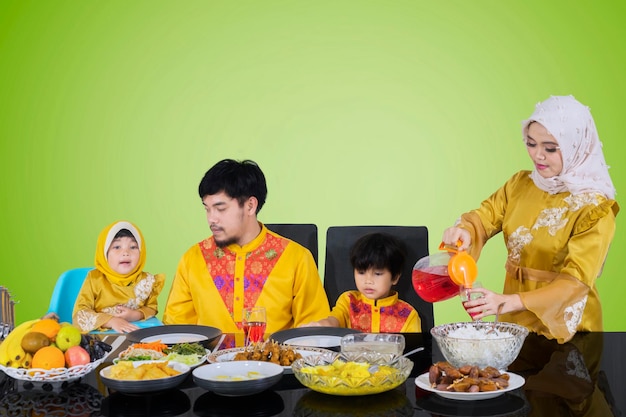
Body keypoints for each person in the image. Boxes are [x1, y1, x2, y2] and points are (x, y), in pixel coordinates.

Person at [441, 95, 619, 344]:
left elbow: (575, 283)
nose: (538, 156)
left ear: (576, 146)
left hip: (567, 328)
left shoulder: (595, 208)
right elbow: (484, 218)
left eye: (550, 148)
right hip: (513, 319)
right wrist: (466, 230)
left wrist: (509, 302)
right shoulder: (520, 185)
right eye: (531, 143)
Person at [162, 159, 331, 336]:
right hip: (208, 362)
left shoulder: (296, 258)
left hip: (274, 362)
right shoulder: (193, 259)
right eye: (207, 209)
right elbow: (176, 332)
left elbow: (313, 333)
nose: (211, 218)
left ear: (250, 206)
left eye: (220, 208)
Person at [302, 233, 421, 332]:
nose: (368, 281)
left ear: (395, 277)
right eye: (361, 272)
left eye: (377, 274)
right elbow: (334, 320)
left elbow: (414, 354)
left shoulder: (408, 315)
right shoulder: (348, 301)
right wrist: (322, 325)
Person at [73, 220, 165, 333]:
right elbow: (80, 314)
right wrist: (111, 321)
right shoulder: (94, 279)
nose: (126, 252)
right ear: (104, 253)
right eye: (117, 247)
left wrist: (135, 315)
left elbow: (151, 308)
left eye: (133, 247)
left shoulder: (147, 281)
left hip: (136, 334)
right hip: (100, 340)